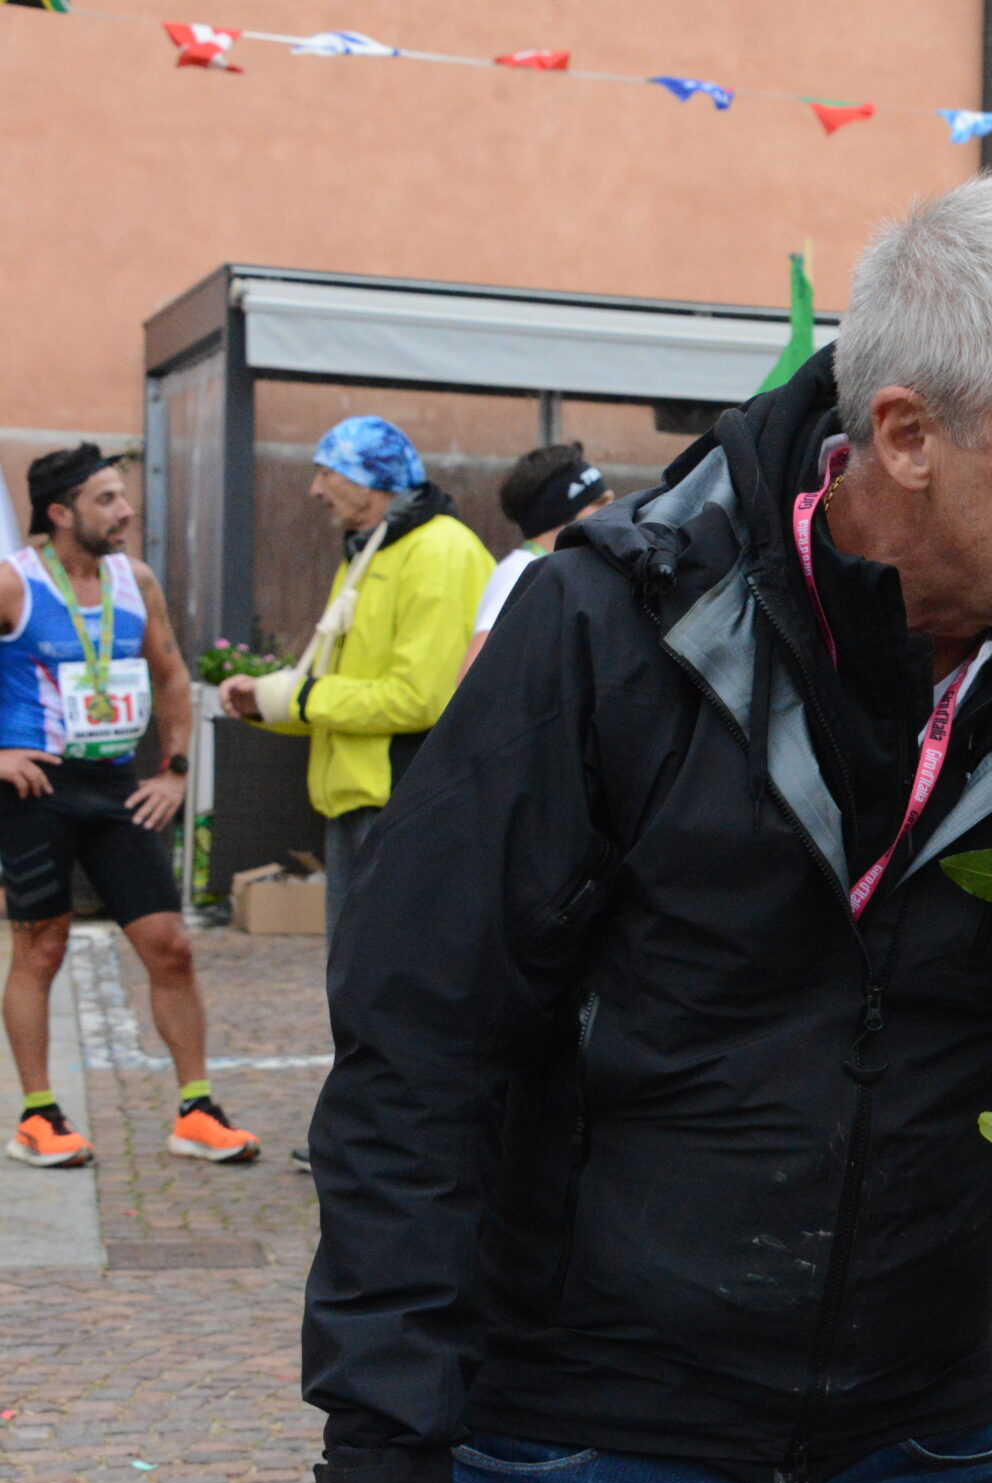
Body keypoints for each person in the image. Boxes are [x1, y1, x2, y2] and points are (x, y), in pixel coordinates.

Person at [298, 177, 992, 1483]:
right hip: (571, 1462)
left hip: (916, 1481)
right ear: (906, 436)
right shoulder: (610, 629)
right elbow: (415, 1064)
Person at [0, 446, 258, 1168]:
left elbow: (172, 675)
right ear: (60, 512)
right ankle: (38, 1115)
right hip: (36, 788)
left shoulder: (133, 579)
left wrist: (174, 770)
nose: (126, 510)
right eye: (108, 498)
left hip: (117, 785)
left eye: (123, 496)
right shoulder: (13, 584)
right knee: (41, 946)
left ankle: (196, 1111)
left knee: (170, 944)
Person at [217, 415, 493, 933]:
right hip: (359, 802)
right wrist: (268, 702)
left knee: (386, 983)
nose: (314, 489)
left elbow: (421, 699)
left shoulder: (439, 551)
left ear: (370, 479)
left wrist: (294, 698)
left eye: (326, 472)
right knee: (355, 982)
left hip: (403, 803)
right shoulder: (372, 548)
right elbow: (342, 689)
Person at [459, 444, 613, 677]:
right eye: (599, 503)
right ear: (559, 513)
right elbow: (472, 676)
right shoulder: (522, 573)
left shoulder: (545, 571)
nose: (615, 511)